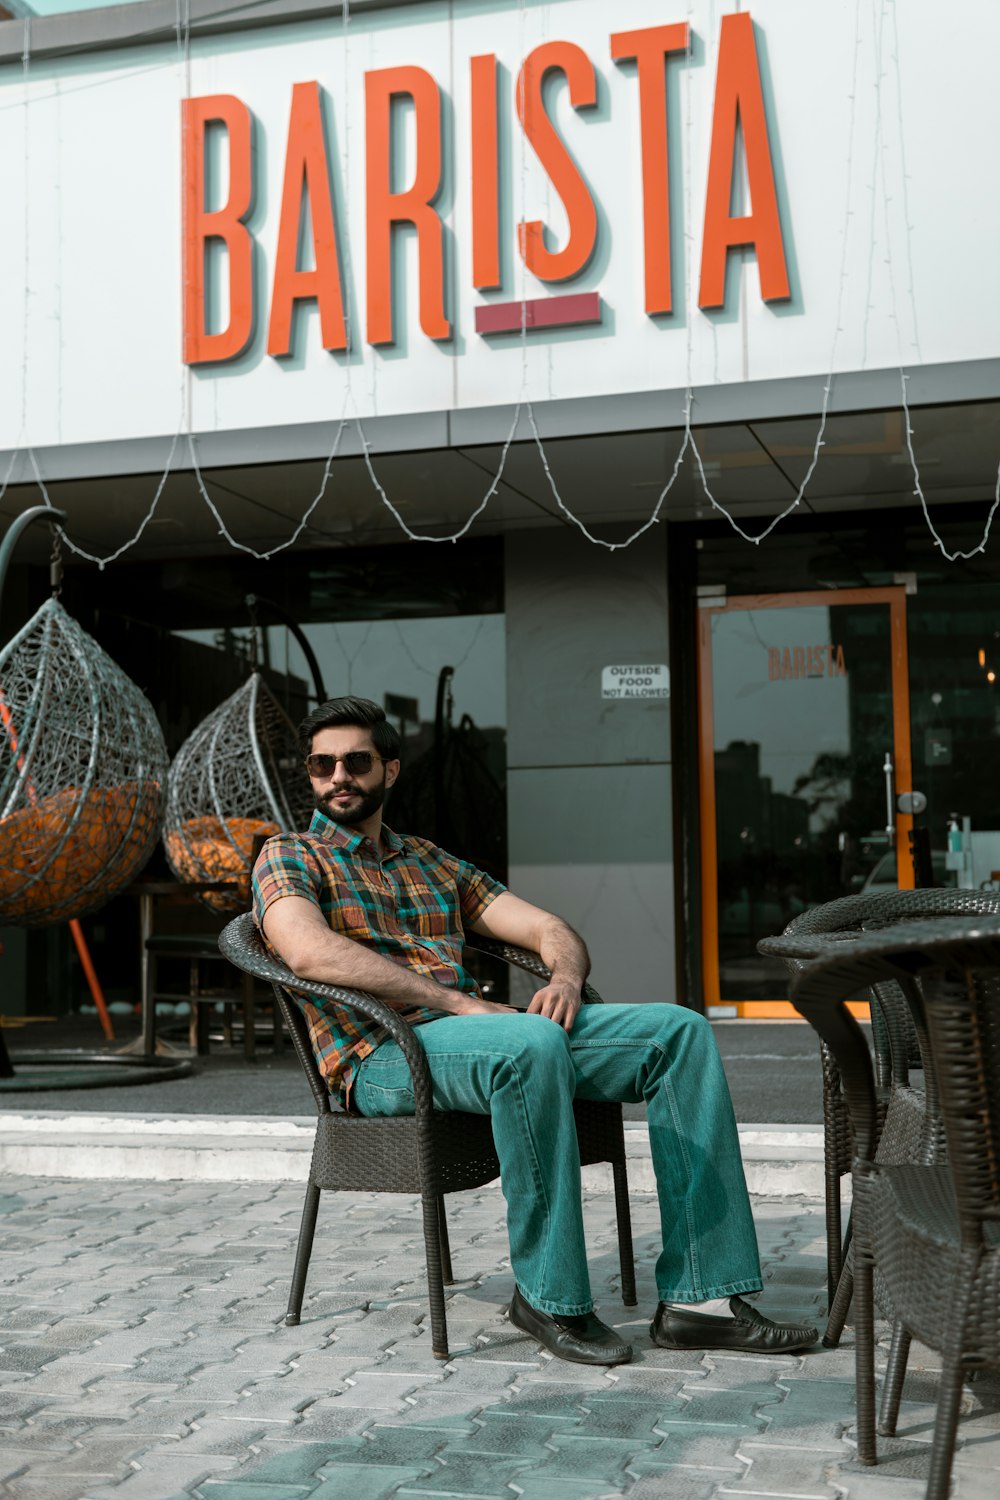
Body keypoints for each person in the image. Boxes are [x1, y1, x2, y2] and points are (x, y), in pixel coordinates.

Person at [253, 697, 817, 1366]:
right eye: (323, 764)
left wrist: (565, 981)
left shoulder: (432, 863)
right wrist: (457, 1004)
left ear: (391, 769)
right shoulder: (289, 855)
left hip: (476, 1039)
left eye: (355, 760)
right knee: (530, 1043)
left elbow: (552, 931)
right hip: (378, 1056)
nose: (338, 775)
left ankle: (702, 1300)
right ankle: (549, 1297)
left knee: (678, 1033)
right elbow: (308, 953)